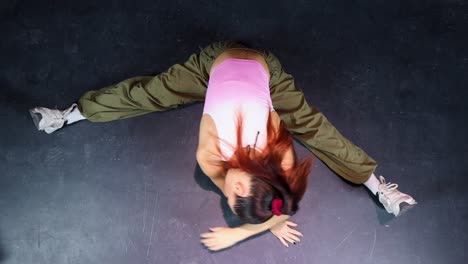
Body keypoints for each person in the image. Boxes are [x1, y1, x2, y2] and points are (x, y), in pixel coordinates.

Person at [29, 41, 417, 251]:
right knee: (152, 93)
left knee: (317, 130)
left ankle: (377, 187)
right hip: (214, 64)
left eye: (228, 198)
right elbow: (282, 208)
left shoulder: (268, 163)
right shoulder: (216, 148)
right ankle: (68, 113)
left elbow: (281, 206)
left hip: (258, 79)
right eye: (234, 192)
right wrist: (246, 232)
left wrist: (254, 225)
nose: (225, 188)